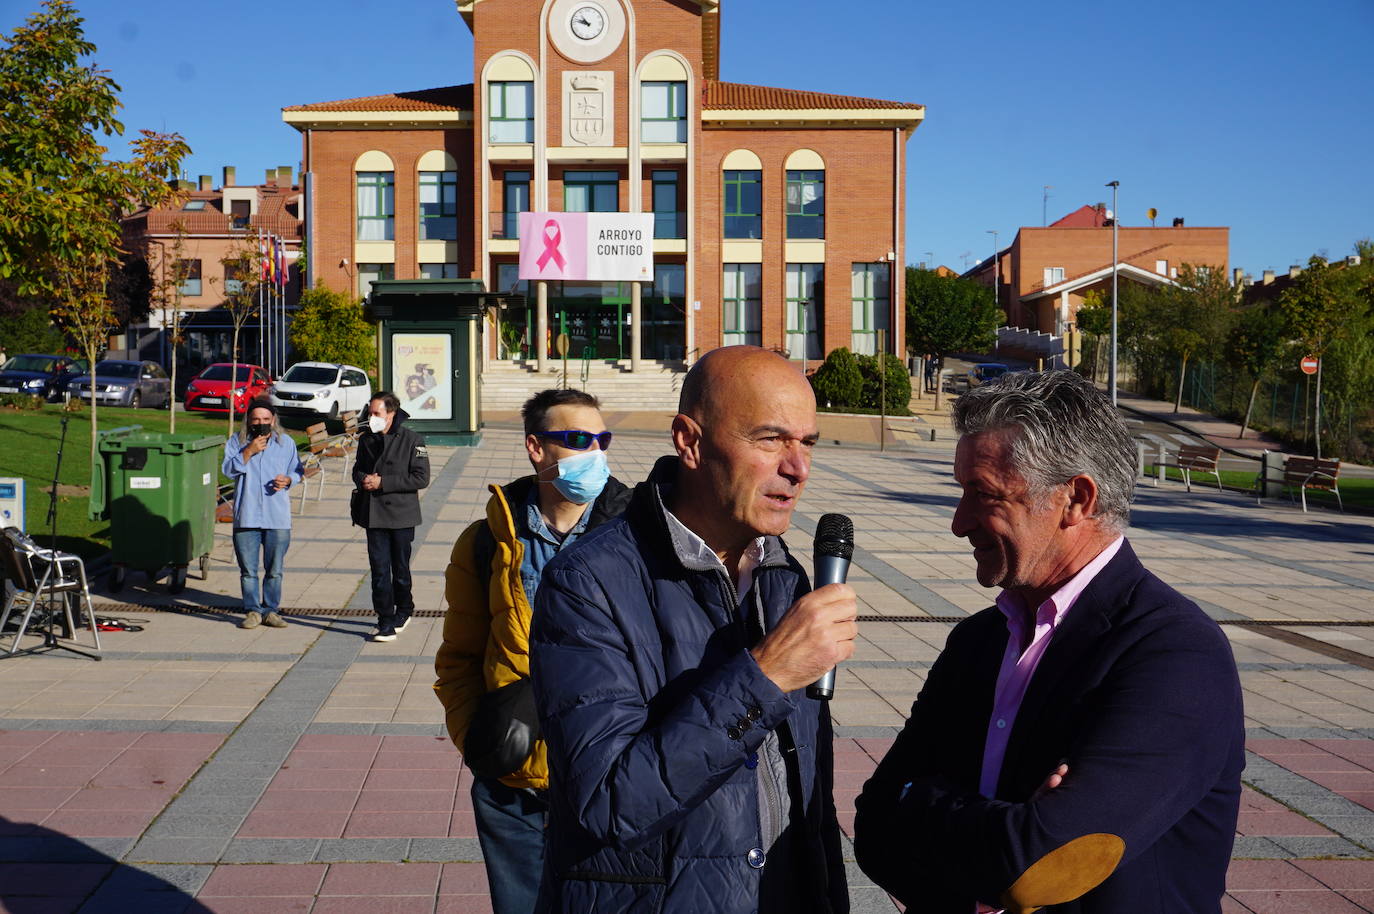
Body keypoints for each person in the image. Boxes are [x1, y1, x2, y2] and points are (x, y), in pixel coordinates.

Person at [853, 370, 1244, 914]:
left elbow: (1039, 861)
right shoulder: (978, 640)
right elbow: (873, 831)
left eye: (983, 494)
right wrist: (999, 833)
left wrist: (920, 802)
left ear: (1076, 500)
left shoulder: (1175, 654)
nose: (959, 522)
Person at [529, 346, 854, 914]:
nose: (798, 468)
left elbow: (805, 790)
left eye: (808, 443)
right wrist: (767, 675)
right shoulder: (586, 584)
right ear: (690, 441)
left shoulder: (785, 575)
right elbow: (609, 803)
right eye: (771, 439)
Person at [435, 388, 631, 914]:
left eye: (601, 439)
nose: (593, 453)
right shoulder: (487, 542)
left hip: (612, 786)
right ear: (535, 448)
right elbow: (458, 658)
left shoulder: (637, 537)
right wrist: (484, 747)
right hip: (513, 789)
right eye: (575, 439)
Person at [352, 391, 430, 642]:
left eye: (377, 413)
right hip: (374, 516)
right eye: (370, 413)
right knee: (379, 570)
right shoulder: (367, 440)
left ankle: (404, 609)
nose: (372, 417)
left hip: (400, 516)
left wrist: (383, 482)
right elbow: (358, 468)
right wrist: (363, 478)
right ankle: (384, 619)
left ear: (391, 414)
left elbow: (421, 477)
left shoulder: (412, 440)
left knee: (400, 568)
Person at [223, 399, 304, 629]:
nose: (261, 424)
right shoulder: (235, 442)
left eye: (266, 420)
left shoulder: (285, 443)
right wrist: (248, 451)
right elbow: (228, 471)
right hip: (246, 515)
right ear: (248, 420)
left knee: (275, 569)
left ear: (273, 420)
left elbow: (297, 470)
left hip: (276, 516)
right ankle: (252, 611)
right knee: (248, 570)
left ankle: (271, 610)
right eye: (256, 420)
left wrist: (288, 480)